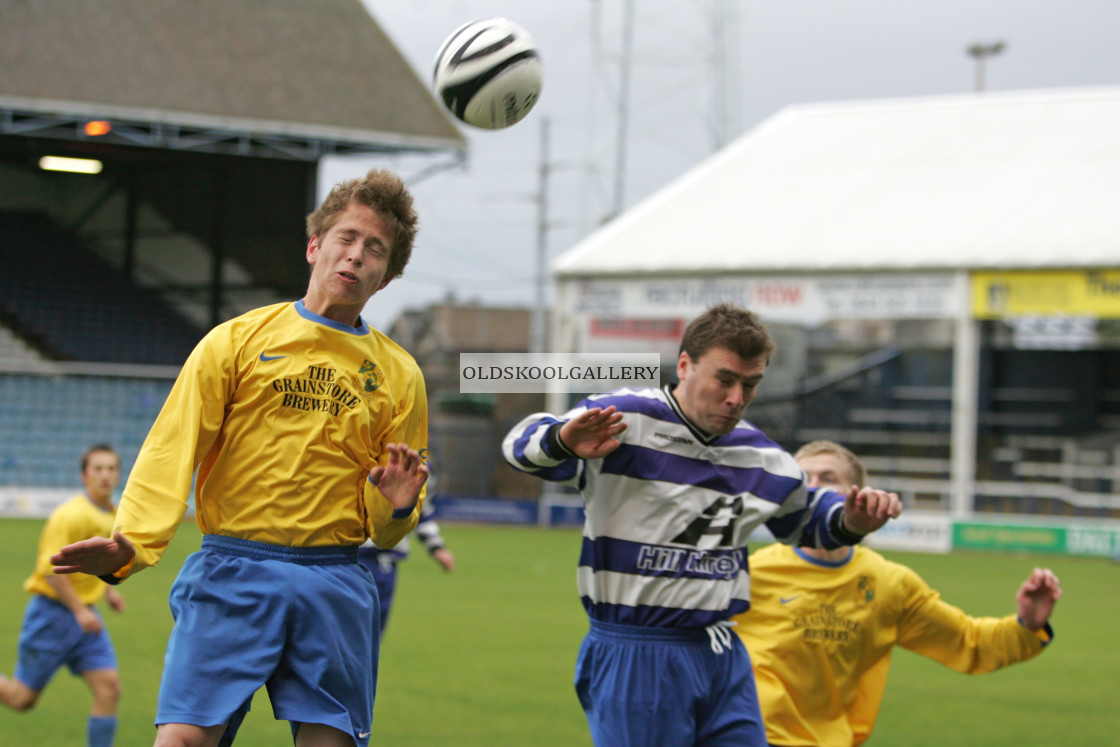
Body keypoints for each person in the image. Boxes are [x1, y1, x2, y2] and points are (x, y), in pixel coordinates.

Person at [51, 168, 430, 747]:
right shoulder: (236, 341)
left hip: (335, 580)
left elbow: (387, 528)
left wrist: (399, 509)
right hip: (234, 570)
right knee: (182, 741)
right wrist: (131, 544)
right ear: (315, 246)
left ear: (387, 274)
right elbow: (172, 448)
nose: (356, 255)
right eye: (346, 238)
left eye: (374, 249)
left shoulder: (401, 377)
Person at [501, 303, 903, 747]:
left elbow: (808, 522)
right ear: (684, 365)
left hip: (722, 652)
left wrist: (851, 518)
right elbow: (519, 442)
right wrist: (564, 440)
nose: (736, 398)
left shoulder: (765, 459)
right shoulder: (626, 420)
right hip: (638, 652)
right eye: (725, 380)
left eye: (750, 384)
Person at [737, 439, 1062, 747]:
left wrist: (1026, 625)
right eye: (803, 478)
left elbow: (968, 641)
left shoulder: (889, 584)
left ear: (855, 494)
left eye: (828, 477)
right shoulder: (752, 571)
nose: (814, 485)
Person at [0, 443, 126, 747]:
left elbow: (94, 562)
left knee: (109, 689)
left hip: (85, 617)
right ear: (84, 476)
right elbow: (47, 570)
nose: (105, 475)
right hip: (53, 614)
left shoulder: (111, 513)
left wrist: (106, 592)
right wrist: (80, 611)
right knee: (20, 700)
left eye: (111, 468)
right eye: (98, 468)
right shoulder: (70, 515)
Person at [357, 486, 455, 637]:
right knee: (350, 628)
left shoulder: (415, 465)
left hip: (386, 562)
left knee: (373, 631)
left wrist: (436, 547)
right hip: (349, 557)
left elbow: (420, 509)